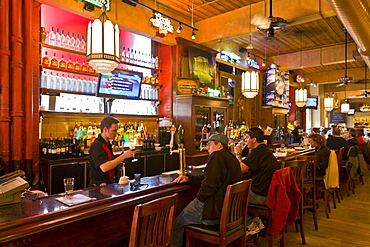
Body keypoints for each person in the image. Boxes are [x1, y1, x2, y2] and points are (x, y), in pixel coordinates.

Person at [172, 133, 242, 247]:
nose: (207, 147)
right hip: (230, 214)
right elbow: (209, 177)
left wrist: (199, 199)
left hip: (214, 213)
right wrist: (189, 178)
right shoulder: (231, 157)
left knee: (176, 223)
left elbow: (209, 186)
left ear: (219, 145)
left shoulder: (216, 156)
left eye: (209, 144)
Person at [234, 127, 280, 234]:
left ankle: (250, 225)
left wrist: (238, 153)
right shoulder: (263, 150)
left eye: (247, 138)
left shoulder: (257, 152)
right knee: (241, 195)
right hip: (268, 192)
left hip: (262, 195)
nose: (246, 140)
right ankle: (256, 221)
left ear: (254, 140)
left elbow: (239, 169)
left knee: (231, 198)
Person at [89, 116, 136, 187]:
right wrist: (124, 156)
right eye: (114, 130)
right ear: (105, 129)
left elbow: (109, 162)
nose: (116, 133)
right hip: (99, 185)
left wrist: (117, 165)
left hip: (107, 182)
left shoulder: (107, 143)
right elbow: (104, 167)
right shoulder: (97, 145)